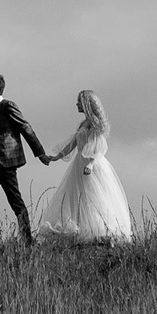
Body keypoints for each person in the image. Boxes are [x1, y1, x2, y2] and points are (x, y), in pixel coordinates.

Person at [36, 90, 132, 243]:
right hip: (79, 164)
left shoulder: (95, 124)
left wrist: (91, 163)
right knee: (78, 196)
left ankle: (100, 230)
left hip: (92, 164)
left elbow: (99, 146)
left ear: (87, 103)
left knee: (93, 196)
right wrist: (57, 156)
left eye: (79, 101)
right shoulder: (83, 124)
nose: (77, 104)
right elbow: (73, 143)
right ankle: (80, 229)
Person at [0, 74, 50, 247]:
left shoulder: (7, 106)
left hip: (5, 163)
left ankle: (27, 241)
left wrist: (40, 153)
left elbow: (25, 127)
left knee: (15, 201)